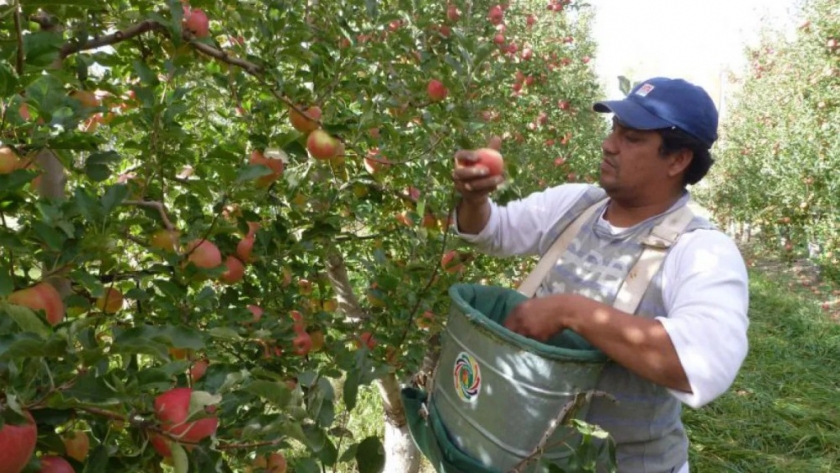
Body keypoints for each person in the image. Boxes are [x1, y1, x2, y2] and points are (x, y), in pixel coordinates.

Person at [451, 77, 750, 473]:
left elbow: (704, 363)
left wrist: (572, 311)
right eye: (614, 130)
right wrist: (475, 198)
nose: (610, 145)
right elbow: (492, 230)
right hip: (524, 454)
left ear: (677, 160)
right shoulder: (576, 204)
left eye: (632, 138)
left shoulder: (701, 251)